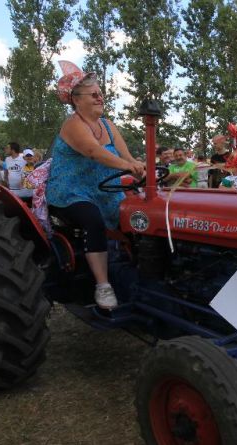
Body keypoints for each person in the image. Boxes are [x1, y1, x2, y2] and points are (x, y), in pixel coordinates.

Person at [47, 60, 144, 310]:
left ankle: (141, 272)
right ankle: (103, 285)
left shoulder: (108, 125)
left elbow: (127, 157)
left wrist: (139, 167)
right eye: (94, 94)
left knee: (139, 216)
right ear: (76, 100)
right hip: (72, 191)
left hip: (104, 191)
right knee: (92, 220)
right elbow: (93, 152)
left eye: (100, 93)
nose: (100, 97)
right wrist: (126, 167)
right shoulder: (73, 125)